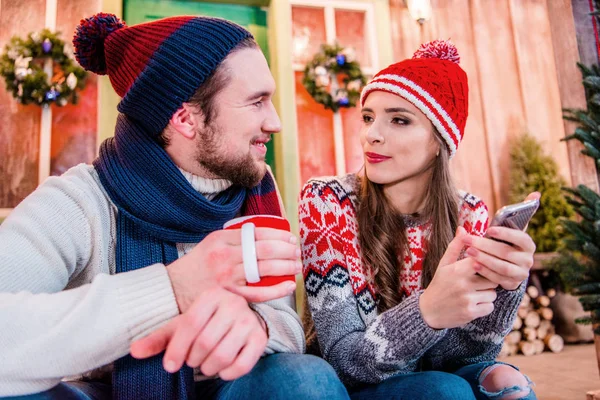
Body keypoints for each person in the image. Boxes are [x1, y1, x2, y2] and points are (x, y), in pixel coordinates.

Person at [0, 13, 349, 400]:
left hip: (233, 385)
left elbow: (284, 320)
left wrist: (258, 326)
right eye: (257, 102)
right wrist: (173, 289)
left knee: (301, 378)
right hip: (110, 392)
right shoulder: (81, 201)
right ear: (185, 118)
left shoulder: (256, 191)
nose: (276, 122)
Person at [299, 40, 538, 400]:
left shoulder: (469, 213)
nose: (372, 134)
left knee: (507, 383)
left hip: (434, 380)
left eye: (399, 120)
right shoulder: (326, 200)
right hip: (356, 385)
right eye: (368, 117)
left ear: (439, 142)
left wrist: (505, 288)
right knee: (442, 389)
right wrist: (427, 312)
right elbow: (344, 361)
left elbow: (462, 358)